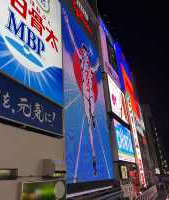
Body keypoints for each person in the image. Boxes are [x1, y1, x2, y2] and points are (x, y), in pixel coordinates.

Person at [63, 9, 100, 176]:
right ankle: (93, 157)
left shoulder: (90, 67)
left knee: (91, 115)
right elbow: (70, 37)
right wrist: (66, 19)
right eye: (83, 51)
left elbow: (97, 67)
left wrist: (100, 63)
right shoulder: (81, 59)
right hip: (85, 95)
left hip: (90, 94)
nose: (83, 52)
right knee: (88, 123)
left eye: (85, 51)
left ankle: (93, 117)